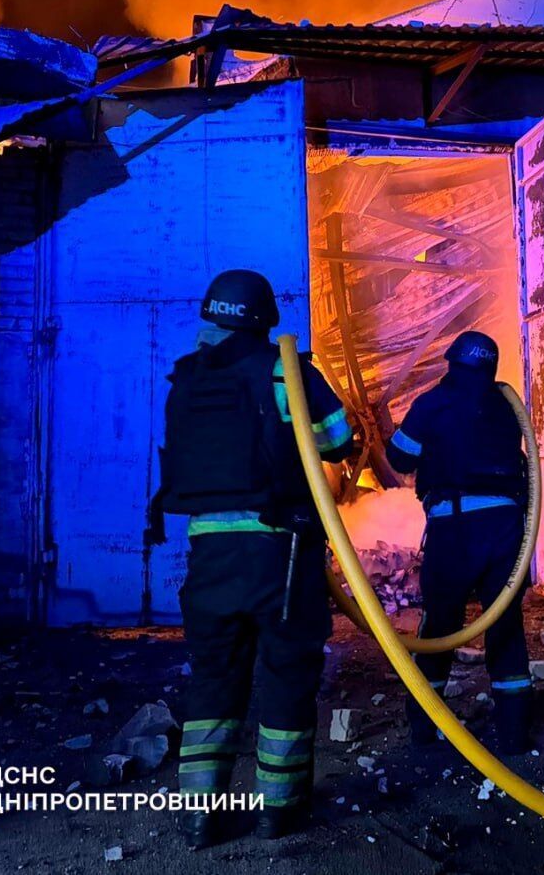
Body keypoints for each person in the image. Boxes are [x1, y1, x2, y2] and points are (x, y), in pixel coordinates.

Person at [145, 269, 353, 847]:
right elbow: (338, 440)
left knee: (214, 679)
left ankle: (199, 813)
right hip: (278, 552)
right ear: (265, 318)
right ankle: (276, 811)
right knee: (286, 675)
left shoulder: (185, 380)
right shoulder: (286, 370)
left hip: (209, 554)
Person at [385, 330, 533, 755]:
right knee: (504, 621)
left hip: (455, 525)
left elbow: (398, 458)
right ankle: (514, 733)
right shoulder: (507, 407)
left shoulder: (432, 403)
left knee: (441, 624)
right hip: (506, 528)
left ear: (451, 361)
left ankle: (424, 729)